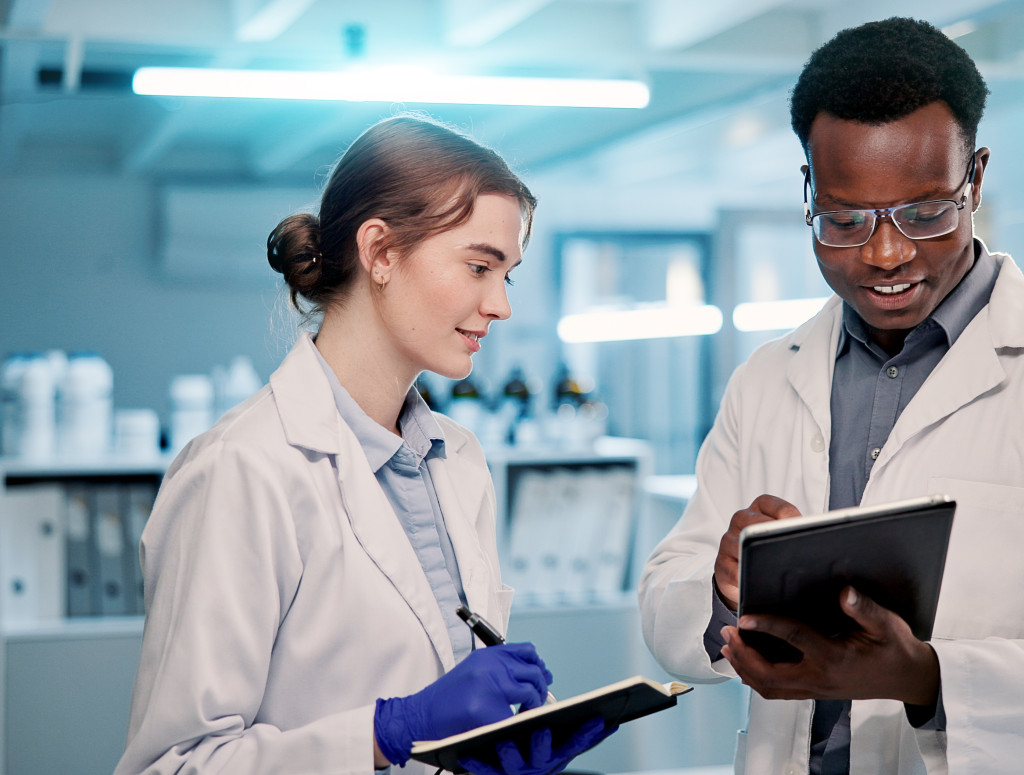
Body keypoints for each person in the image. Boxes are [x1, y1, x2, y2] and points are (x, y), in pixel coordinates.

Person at [115, 116, 612, 775]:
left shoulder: (458, 461)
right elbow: (173, 765)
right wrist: (386, 732)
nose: (501, 305)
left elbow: (444, 703)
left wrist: (495, 748)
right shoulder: (242, 468)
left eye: (507, 276)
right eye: (478, 267)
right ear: (380, 252)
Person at [639, 17, 1024, 775]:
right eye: (844, 220)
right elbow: (663, 600)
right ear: (809, 192)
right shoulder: (767, 378)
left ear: (974, 180)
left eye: (925, 213)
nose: (886, 254)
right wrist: (722, 589)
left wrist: (927, 676)